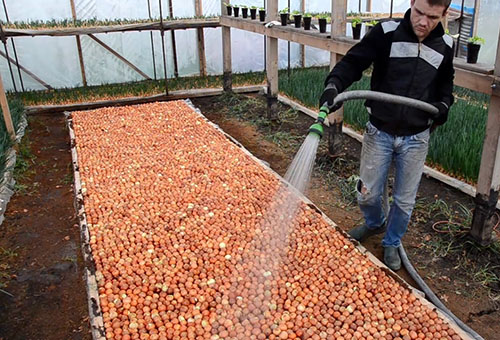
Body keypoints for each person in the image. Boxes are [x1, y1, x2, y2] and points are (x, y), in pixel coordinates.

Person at [319, 0, 454, 271]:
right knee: (366, 193)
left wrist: (443, 106)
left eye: (432, 17)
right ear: (412, 3)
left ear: (443, 14)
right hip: (379, 131)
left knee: (404, 201)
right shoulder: (387, 32)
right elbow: (354, 62)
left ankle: (392, 242)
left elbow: (445, 86)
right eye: (419, 13)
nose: (423, 23)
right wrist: (334, 84)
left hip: (416, 137)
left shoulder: (445, 46)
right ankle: (374, 223)